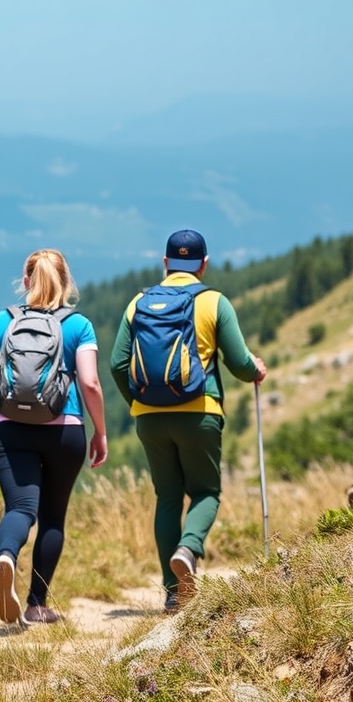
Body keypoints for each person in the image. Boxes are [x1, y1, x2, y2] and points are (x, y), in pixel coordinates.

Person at [108, 229, 267, 613]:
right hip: (200, 412)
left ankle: (173, 593)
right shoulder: (214, 302)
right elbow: (238, 362)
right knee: (206, 492)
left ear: (165, 263)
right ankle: (189, 548)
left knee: (167, 498)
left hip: (149, 418)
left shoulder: (138, 303)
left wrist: (139, 403)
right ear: (204, 264)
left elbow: (116, 363)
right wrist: (256, 370)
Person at [0, 249, 108, 625]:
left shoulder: (0, 323)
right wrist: (100, 431)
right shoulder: (78, 325)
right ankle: (36, 604)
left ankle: (6, 555)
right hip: (64, 429)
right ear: (66, 282)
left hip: (9, 427)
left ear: (25, 281)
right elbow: (90, 383)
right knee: (53, 517)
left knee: (21, 509)